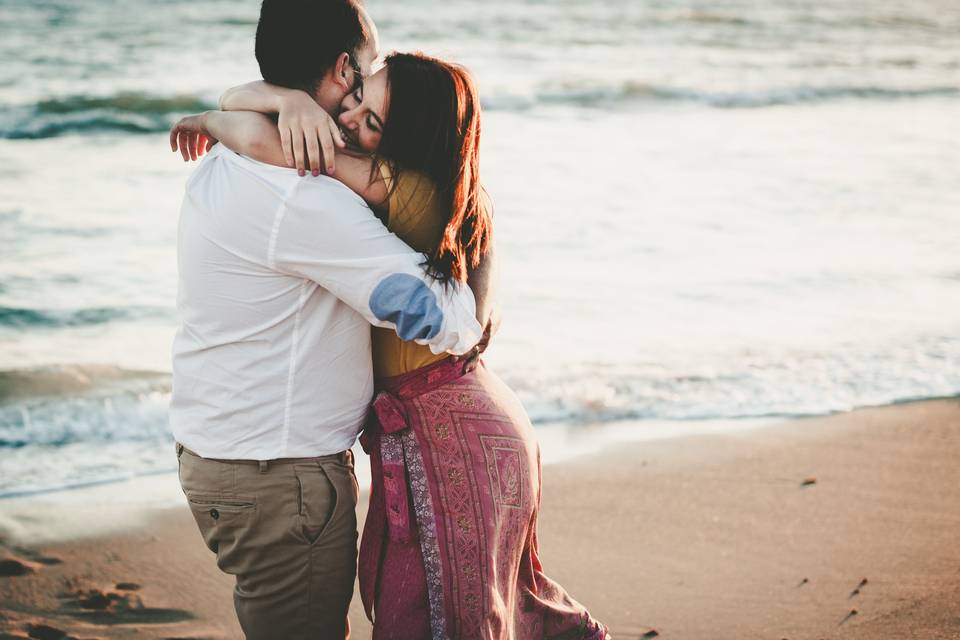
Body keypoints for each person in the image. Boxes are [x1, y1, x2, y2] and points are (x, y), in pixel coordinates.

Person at [172, 46, 608, 640]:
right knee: (452, 607)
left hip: (450, 430)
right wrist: (288, 98)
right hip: (447, 421)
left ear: (406, 139)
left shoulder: (396, 184)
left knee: (447, 616)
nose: (350, 118)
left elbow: (261, 140)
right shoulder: (430, 188)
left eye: (370, 119)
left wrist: (220, 121)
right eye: (356, 97)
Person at [168, 2, 487, 639]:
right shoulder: (305, 197)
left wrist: (256, 104)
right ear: (343, 69)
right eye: (366, 77)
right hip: (281, 481)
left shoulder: (236, 153)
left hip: (221, 456)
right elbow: (443, 318)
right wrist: (484, 266)